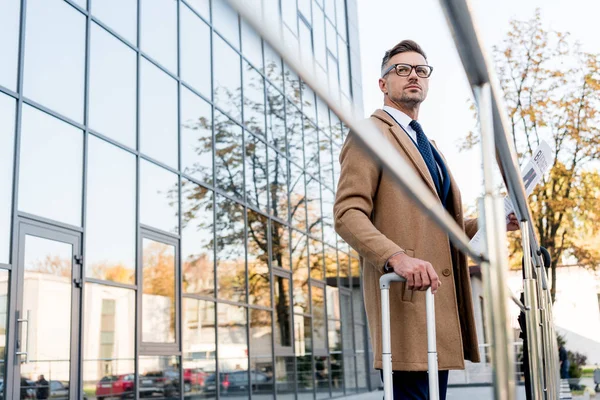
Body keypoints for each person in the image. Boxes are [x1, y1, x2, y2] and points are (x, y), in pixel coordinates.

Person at [333, 40, 520, 400]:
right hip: (407, 304)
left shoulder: (428, 144)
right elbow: (347, 214)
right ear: (383, 84)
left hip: (438, 306)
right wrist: (396, 257)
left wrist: (491, 223)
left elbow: (444, 227)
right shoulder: (370, 134)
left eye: (421, 69)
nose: (413, 75)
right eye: (401, 69)